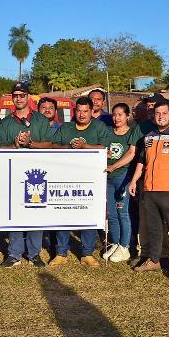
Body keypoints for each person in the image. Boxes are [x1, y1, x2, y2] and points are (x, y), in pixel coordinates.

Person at [128, 99, 169, 278]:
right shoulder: (148, 136)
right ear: (153, 115)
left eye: (165, 113)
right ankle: (155, 260)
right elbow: (142, 161)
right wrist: (134, 181)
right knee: (154, 228)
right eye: (158, 113)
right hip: (149, 189)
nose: (161, 116)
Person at [0, 82, 53, 267]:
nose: (19, 98)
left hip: (36, 173)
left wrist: (30, 143)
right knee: (15, 212)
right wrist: (14, 146)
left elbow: (50, 144)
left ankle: (34, 253)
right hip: (12, 172)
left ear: (28, 97)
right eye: (16, 95)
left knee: (35, 210)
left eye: (22, 95)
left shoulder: (40, 120)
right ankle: (14, 253)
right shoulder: (6, 122)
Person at [51, 97, 111, 267]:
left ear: (92, 112)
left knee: (88, 214)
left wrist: (86, 147)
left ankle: (87, 253)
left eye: (85, 111)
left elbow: (107, 149)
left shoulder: (99, 127)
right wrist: (68, 147)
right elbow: (53, 146)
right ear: (74, 111)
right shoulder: (67, 127)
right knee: (64, 213)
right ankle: (61, 252)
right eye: (79, 110)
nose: (82, 114)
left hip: (90, 180)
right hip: (66, 178)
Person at [102, 103, 137, 263]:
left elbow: (131, 153)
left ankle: (125, 246)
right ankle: (115, 243)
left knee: (123, 212)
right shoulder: (108, 132)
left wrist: (114, 165)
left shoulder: (131, 133)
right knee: (112, 214)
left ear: (127, 116)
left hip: (123, 177)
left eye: (120, 115)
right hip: (108, 178)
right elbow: (101, 148)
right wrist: (103, 153)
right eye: (114, 114)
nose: (116, 118)